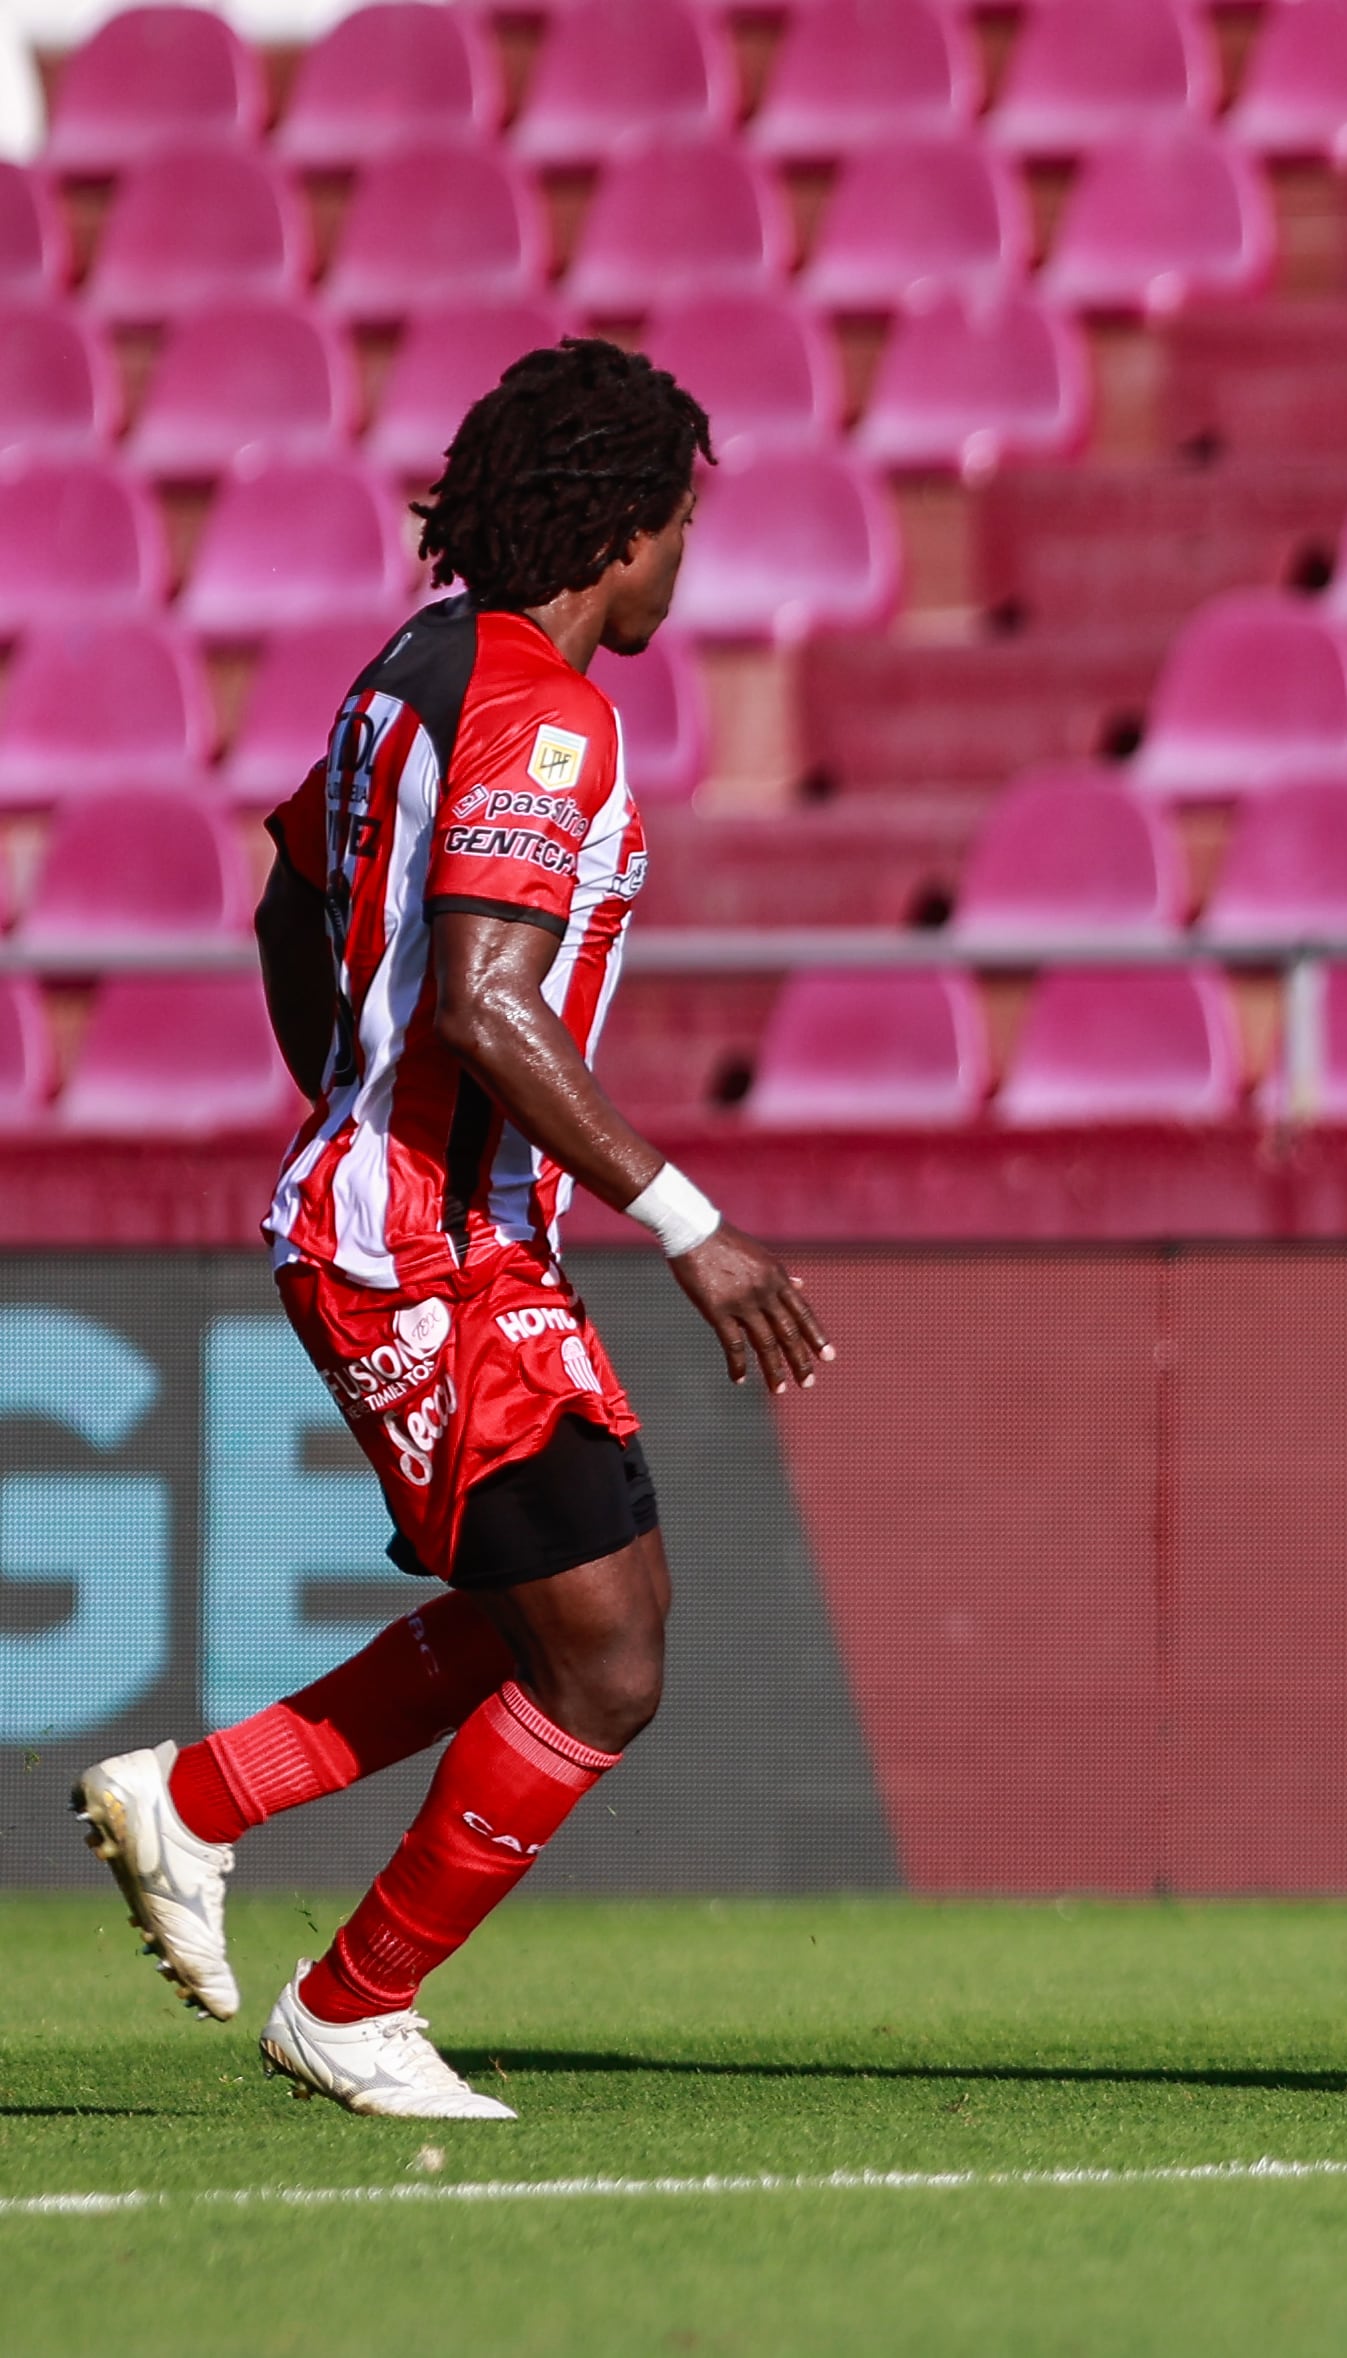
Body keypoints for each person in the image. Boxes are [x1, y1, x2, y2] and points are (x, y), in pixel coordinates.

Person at [69, 340, 830, 2123]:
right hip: (427, 1240)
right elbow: (490, 1005)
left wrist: (342, 1092)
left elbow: (287, 895)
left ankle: (203, 1801)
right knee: (612, 1651)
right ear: (621, 528)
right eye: (681, 528)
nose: (684, 563)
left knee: (554, 1618)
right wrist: (695, 1223)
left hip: (423, 1219)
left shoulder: (403, 669)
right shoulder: (542, 708)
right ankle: (353, 2002)